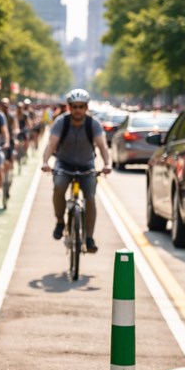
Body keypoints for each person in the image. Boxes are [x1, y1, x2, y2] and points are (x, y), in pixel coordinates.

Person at [40, 88, 112, 253]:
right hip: (64, 165)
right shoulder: (61, 122)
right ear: (69, 107)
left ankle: (89, 237)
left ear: (86, 107)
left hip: (87, 166)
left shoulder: (93, 123)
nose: (78, 110)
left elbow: (102, 146)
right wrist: (45, 161)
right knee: (58, 187)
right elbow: (51, 144)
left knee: (91, 198)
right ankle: (60, 221)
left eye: (81, 106)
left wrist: (107, 164)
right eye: (74, 106)